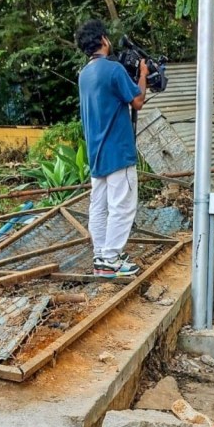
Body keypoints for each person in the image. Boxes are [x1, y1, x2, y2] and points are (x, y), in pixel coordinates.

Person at [75, 19, 148, 277]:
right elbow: (137, 100)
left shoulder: (84, 75)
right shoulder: (113, 70)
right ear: (104, 40)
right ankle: (111, 259)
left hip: (96, 154)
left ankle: (100, 258)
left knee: (99, 206)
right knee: (122, 206)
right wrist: (143, 74)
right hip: (118, 151)